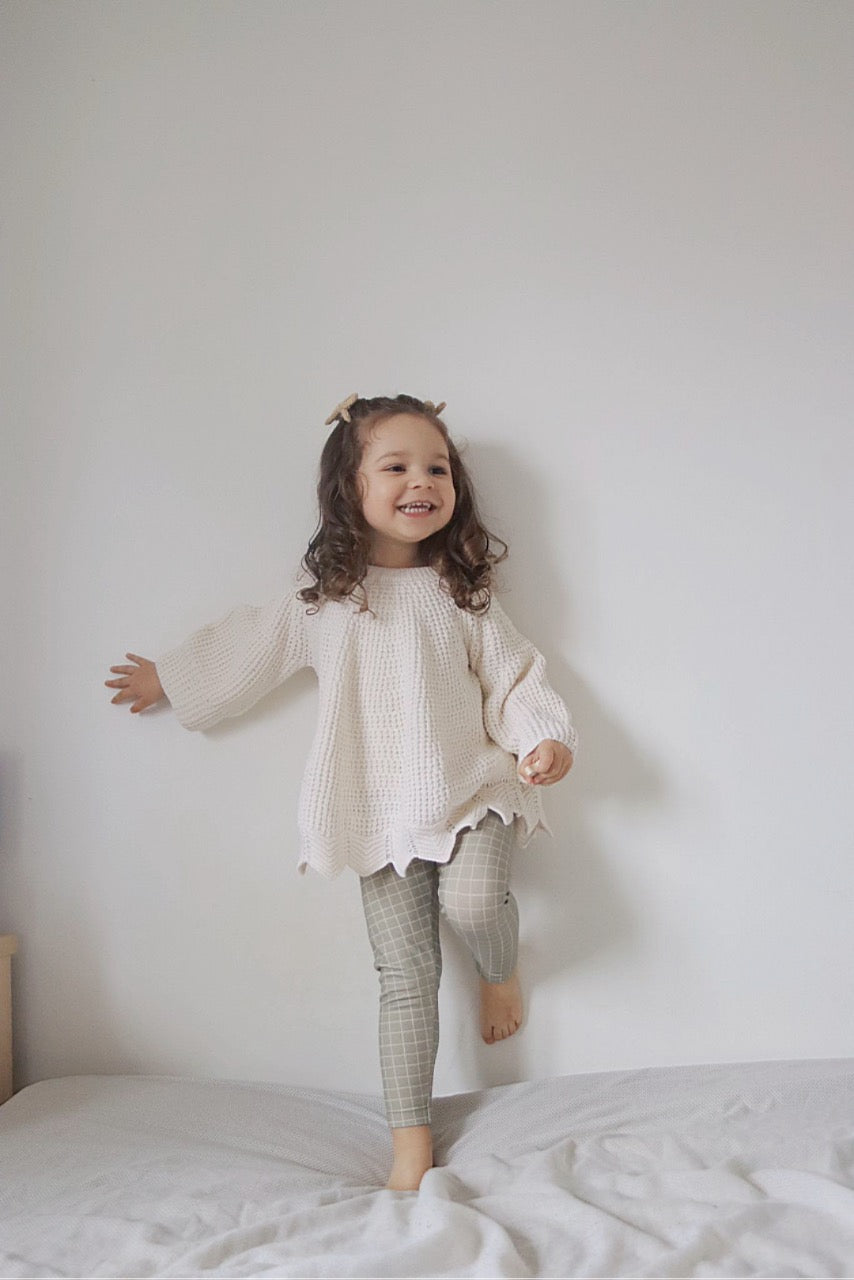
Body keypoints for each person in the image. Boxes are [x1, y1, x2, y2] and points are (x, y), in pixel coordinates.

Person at [105, 392, 578, 1192]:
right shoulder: (326, 596)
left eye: (437, 469)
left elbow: (515, 673)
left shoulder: (463, 591)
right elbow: (253, 645)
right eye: (396, 467)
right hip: (375, 814)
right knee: (404, 978)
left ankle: (500, 968)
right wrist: (175, 677)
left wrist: (544, 738)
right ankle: (409, 1143)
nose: (421, 482)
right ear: (349, 488)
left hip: (474, 792)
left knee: (473, 905)